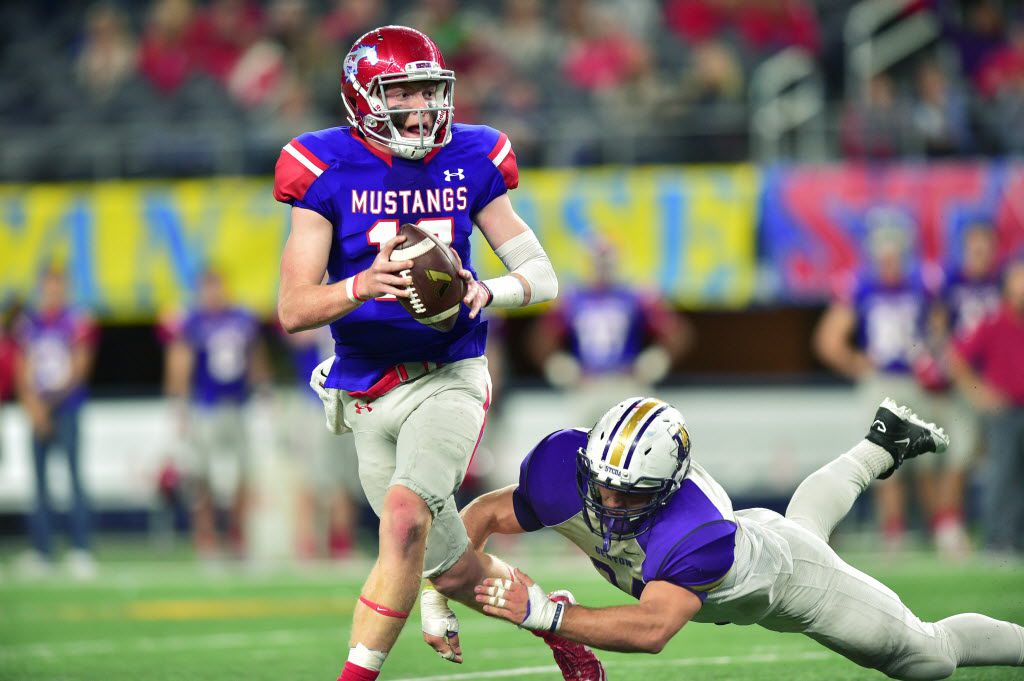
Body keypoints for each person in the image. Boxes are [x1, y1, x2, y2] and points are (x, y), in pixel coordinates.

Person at [273, 25, 581, 681]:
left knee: (405, 518)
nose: (422, 108)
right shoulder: (321, 165)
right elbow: (294, 308)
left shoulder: (473, 155)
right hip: (364, 388)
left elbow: (542, 273)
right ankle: (559, 621)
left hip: (449, 375)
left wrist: (484, 290)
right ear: (362, 99)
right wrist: (361, 283)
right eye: (403, 92)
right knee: (450, 566)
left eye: (428, 90)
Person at [461, 396, 1024, 680]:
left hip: (789, 582)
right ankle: (879, 445)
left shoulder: (693, 531)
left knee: (928, 657)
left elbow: (655, 628)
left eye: (630, 494)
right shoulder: (564, 467)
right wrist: (438, 596)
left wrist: (551, 616)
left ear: (666, 488)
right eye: (602, 485)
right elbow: (482, 515)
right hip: (761, 539)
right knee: (802, 529)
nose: (608, 503)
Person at [814, 208, 935, 549]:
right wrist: (858, 364)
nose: (890, 252)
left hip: (919, 379)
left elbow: (939, 329)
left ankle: (937, 530)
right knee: (886, 458)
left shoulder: (922, 283)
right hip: (882, 381)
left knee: (927, 456)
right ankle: (894, 532)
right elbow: (828, 341)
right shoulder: (861, 287)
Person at [162, 269, 271, 560]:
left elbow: (254, 357)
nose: (213, 294)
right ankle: (207, 537)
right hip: (205, 406)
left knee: (243, 473)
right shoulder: (193, 322)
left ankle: (237, 536)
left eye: (217, 287)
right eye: (208, 288)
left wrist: (263, 390)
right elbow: (180, 364)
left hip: (238, 405)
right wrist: (180, 405)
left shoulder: (241, 318)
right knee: (202, 476)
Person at [530, 239, 692, 424]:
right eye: (598, 260)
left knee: (638, 441)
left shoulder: (636, 295)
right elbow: (541, 339)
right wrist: (562, 369)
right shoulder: (573, 298)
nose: (603, 267)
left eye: (607, 261)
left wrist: (653, 363)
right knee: (580, 442)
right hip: (587, 384)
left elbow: (676, 333)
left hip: (626, 382)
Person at [922, 222, 1003, 557]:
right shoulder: (951, 283)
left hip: (1000, 381)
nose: (980, 251)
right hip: (964, 380)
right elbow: (938, 331)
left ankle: (992, 526)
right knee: (960, 454)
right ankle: (949, 526)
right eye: (974, 244)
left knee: (995, 458)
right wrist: (955, 373)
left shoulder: (1003, 281)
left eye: (986, 244)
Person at [14, 269, 99, 579]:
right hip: (38, 411)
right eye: (47, 287)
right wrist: (34, 407)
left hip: (67, 408)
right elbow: (22, 369)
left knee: (74, 479)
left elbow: (79, 368)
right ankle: (42, 551)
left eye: (58, 287)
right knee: (39, 484)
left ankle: (81, 549)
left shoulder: (77, 321)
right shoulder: (30, 323)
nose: (52, 292)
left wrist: (48, 405)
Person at [947, 257, 1024, 555]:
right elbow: (957, 359)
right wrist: (979, 394)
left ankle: (1016, 539)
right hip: (1003, 411)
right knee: (1001, 475)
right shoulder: (993, 322)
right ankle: (996, 540)